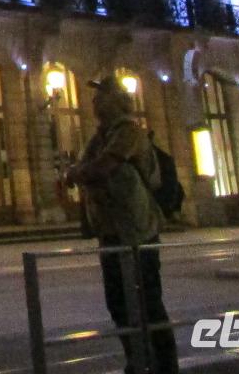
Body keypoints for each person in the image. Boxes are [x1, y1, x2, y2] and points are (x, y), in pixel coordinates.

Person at [66, 76, 178, 374]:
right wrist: (78, 171)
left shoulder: (128, 131)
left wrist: (75, 173)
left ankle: (165, 365)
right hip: (111, 229)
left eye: (100, 96)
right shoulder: (100, 135)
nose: (93, 102)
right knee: (118, 301)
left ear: (116, 101)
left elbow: (105, 166)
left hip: (137, 228)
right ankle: (137, 359)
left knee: (148, 299)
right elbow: (88, 166)